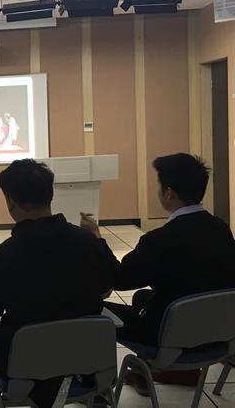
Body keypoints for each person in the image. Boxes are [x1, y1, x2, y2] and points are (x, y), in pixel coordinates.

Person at [0, 159, 118, 408]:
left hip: (24, 367)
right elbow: (106, 289)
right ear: (50, 195)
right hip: (87, 361)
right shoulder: (87, 242)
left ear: (10, 201)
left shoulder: (2, 257)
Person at [81, 153, 235, 390]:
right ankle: (173, 374)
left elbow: (118, 278)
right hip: (217, 334)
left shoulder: (159, 240)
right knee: (142, 297)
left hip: (168, 336)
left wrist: (96, 238)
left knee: (90, 309)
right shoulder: (221, 229)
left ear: (168, 192)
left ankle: (97, 387)